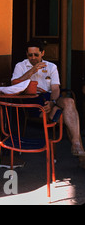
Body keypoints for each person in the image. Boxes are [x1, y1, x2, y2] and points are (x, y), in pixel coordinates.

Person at [11, 39, 85, 167]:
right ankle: (80, 153)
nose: (33, 58)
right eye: (30, 55)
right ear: (26, 54)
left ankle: (76, 144)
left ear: (42, 53)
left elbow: (55, 88)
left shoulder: (51, 66)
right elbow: (14, 84)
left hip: (51, 97)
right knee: (64, 115)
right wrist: (31, 71)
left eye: (36, 55)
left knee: (69, 102)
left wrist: (52, 101)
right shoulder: (21, 66)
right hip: (32, 98)